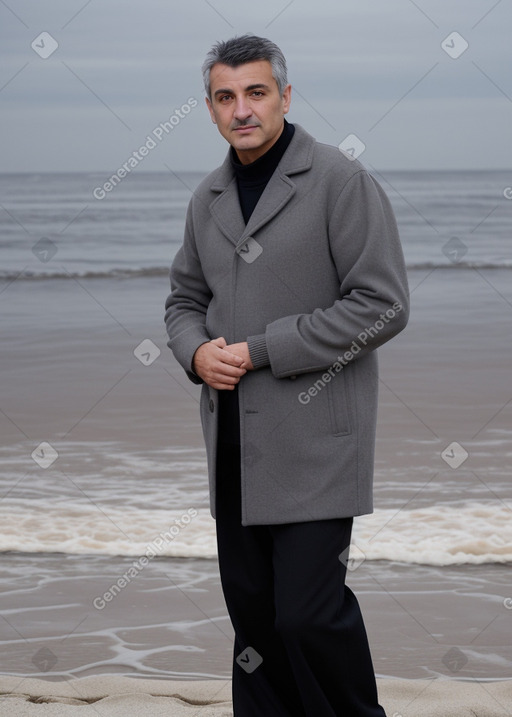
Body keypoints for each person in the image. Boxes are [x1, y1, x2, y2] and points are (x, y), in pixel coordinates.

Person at [164, 34, 409, 717]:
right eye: (225, 97)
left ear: (285, 97)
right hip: (235, 450)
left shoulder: (340, 180)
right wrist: (194, 353)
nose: (241, 109)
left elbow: (383, 305)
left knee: (308, 615)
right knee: (257, 629)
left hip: (316, 445)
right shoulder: (206, 197)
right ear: (211, 109)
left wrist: (262, 348)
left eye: (256, 92)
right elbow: (183, 301)